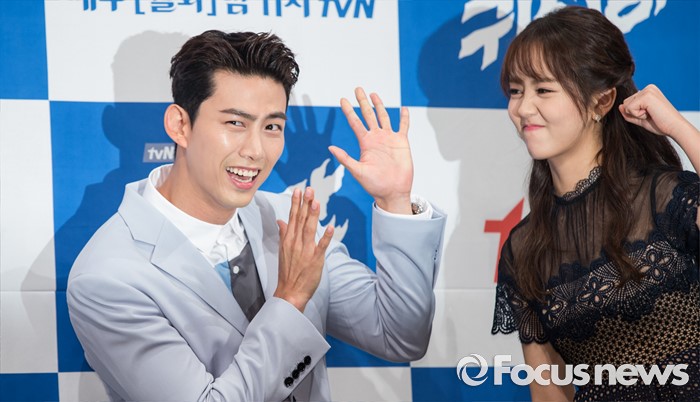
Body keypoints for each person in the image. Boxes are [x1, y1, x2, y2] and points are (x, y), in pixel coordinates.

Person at [67, 30, 446, 402]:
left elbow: (400, 337)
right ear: (180, 125)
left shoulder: (288, 218)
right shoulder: (108, 278)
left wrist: (395, 199)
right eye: (235, 123)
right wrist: (290, 300)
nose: (256, 150)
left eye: (272, 127)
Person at [490, 6, 699, 402]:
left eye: (543, 90)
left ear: (601, 102)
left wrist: (677, 127)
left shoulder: (663, 197)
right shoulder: (525, 246)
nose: (523, 107)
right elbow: (548, 389)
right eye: (516, 91)